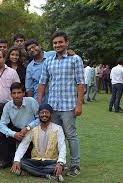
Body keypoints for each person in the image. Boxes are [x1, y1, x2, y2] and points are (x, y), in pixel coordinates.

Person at [38, 31, 85, 177]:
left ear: (67, 43)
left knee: (71, 135)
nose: (58, 45)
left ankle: (75, 164)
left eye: (60, 42)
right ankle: (58, 162)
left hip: (69, 106)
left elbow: (80, 83)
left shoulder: (75, 59)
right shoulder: (49, 61)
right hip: (52, 106)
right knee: (55, 135)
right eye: (55, 43)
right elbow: (42, 82)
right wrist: (40, 104)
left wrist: (79, 105)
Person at [11, 104, 66, 182]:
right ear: (38, 115)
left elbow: (62, 146)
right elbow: (23, 145)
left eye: (46, 112)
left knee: (60, 165)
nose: (44, 115)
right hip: (35, 161)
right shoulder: (33, 129)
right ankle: (47, 175)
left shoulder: (58, 129)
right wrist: (16, 160)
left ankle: (31, 172)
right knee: (20, 162)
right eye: (42, 112)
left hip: (50, 161)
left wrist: (60, 163)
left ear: (51, 114)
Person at [0, 82, 39, 169]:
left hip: (31, 130)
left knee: (26, 159)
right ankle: (6, 160)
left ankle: (24, 159)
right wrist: (14, 134)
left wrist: (28, 128)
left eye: (19, 93)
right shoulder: (8, 106)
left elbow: (39, 119)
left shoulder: (31, 101)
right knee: (1, 134)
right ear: (11, 94)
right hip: (16, 130)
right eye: (14, 93)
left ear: (23, 93)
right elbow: (2, 124)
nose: (16, 96)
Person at [24, 39, 56, 103]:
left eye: (33, 47)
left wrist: (70, 52)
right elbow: (29, 88)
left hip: (56, 97)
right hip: (40, 101)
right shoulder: (30, 67)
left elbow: (66, 54)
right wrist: (31, 104)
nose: (32, 50)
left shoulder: (53, 55)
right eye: (29, 49)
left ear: (39, 46)